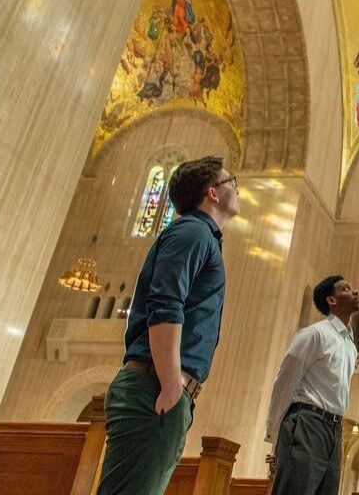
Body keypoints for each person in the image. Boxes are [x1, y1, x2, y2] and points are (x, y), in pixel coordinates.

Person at [97, 156, 239, 495]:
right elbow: (165, 301)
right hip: (153, 388)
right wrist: (171, 381)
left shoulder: (199, 235)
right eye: (231, 180)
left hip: (158, 389)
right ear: (213, 193)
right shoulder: (193, 232)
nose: (236, 187)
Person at [265, 276, 359, 495]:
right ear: (331, 300)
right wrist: (275, 436)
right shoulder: (315, 334)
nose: (355, 291)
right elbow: (284, 382)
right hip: (307, 422)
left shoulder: (350, 346)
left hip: (335, 430)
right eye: (346, 289)